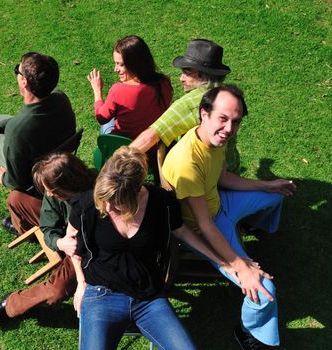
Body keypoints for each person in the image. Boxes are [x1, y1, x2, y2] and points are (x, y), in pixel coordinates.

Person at [67, 146, 261, 350]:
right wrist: (81, 283)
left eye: (116, 203)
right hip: (101, 294)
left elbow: (183, 232)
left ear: (135, 193)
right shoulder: (88, 203)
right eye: (104, 200)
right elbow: (70, 240)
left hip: (149, 298)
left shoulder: (161, 202)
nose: (107, 208)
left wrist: (225, 263)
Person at [162, 85, 296, 349]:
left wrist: (268, 185)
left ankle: (257, 226)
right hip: (206, 227)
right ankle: (250, 334)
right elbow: (204, 224)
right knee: (263, 288)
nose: (229, 128)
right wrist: (240, 266)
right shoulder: (186, 163)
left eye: (235, 122)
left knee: (278, 195)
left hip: (221, 202)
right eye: (223, 119)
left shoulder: (214, 139)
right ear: (204, 114)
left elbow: (223, 178)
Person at [0, 152, 97, 327]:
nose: (48, 194)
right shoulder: (55, 195)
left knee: (56, 290)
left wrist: (70, 248)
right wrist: (59, 242)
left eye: (52, 189)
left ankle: (10, 305)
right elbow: (48, 227)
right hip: (66, 239)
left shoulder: (98, 193)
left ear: (66, 184)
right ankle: (24, 230)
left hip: (84, 251)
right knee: (16, 199)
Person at [0, 52, 76, 235]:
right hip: (60, 155)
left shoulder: (18, 130)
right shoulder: (60, 97)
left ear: (25, 83)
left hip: (37, 174)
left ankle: (22, 225)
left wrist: (4, 178)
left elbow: (18, 181)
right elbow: (24, 121)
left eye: (18, 71)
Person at [130, 38, 241, 173]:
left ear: (202, 75)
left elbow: (151, 136)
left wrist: (117, 161)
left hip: (201, 178)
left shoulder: (192, 103)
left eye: (187, 72)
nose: (181, 78)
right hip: (231, 169)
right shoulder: (229, 97)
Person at [87, 35, 172, 139]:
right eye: (115, 63)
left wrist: (97, 90)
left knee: (107, 123)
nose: (115, 69)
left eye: (120, 65)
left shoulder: (118, 90)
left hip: (124, 148)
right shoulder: (164, 83)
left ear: (135, 64)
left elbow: (101, 118)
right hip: (154, 146)